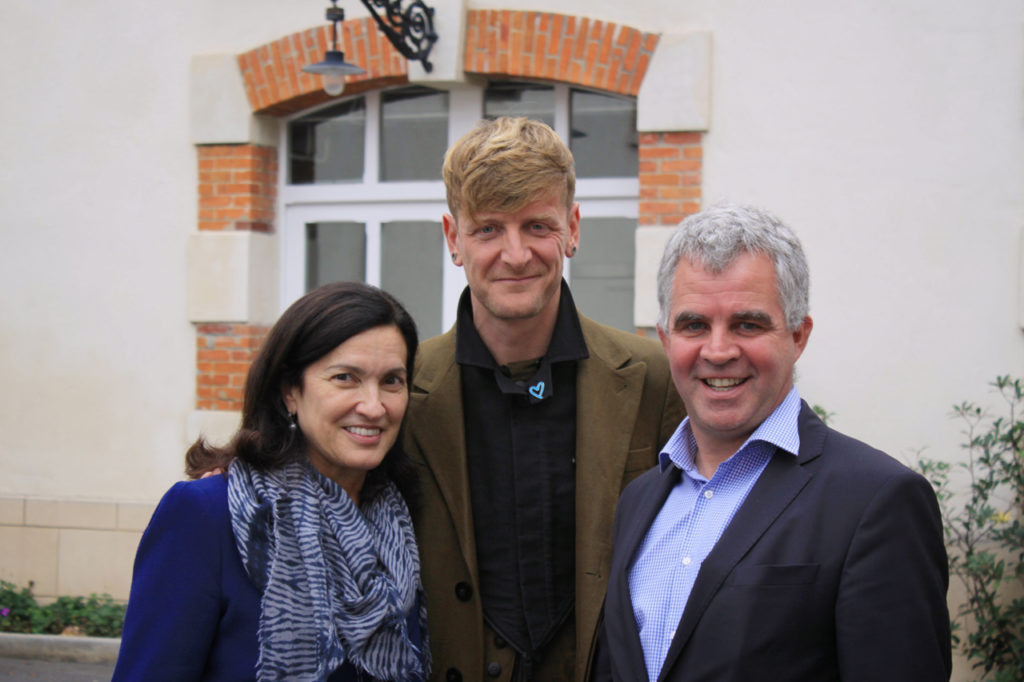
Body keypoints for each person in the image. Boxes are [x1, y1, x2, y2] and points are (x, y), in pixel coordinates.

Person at [592, 203, 952, 681]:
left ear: (798, 335)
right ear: (665, 338)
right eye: (694, 325)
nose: (718, 351)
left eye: (748, 324)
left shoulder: (876, 502)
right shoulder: (639, 500)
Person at [404, 116, 685, 682]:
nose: (515, 254)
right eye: (487, 229)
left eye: (537, 225)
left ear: (573, 228)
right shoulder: (401, 388)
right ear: (452, 239)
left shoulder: (655, 379)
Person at [113, 282, 431, 682]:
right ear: (289, 392)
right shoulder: (207, 516)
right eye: (345, 378)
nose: (373, 406)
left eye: (391, 381)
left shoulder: (405, 521)